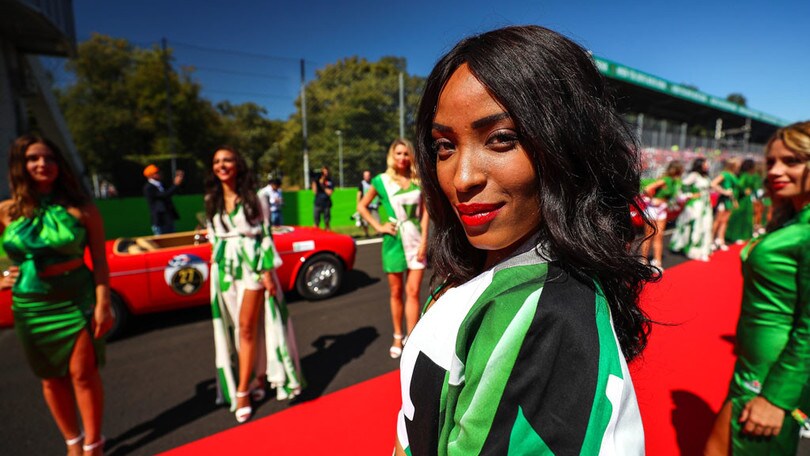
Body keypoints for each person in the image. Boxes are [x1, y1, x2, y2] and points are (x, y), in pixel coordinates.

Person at [395, 25, 654, 455]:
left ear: (566, 144)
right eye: (444, 146)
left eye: (501, 139)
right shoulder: (495, 273)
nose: (462, 178)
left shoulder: (544, 314)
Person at [0, 135, 114, 455]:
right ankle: (72, 442)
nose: (42, 164)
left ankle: (93, 443)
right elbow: (2, 255)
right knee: (50, 379)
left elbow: (101, 263)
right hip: (31, 303)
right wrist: (3, 275)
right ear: (20, 166)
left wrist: (103, 304)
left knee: (83, 373)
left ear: (59, 164)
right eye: (33, 158)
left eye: (49, 158)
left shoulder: (83, 209)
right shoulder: (7, 211)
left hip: (76, 297)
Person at [704, 121, 810, 455]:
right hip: (756, 364)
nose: (776, 170)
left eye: (792, 161)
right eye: (773, 161)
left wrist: (776, 397)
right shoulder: (794, 221)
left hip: (773, 372)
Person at [204, 146, 303, 424]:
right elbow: (214, 237)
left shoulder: (252, 198)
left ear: (237, 165)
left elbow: (265, 236)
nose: (222, 165)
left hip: (252, 269)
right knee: (237, 329)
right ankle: (258, 378)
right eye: (217, 161)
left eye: (227, 160)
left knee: (247, 328)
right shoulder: (211, 199)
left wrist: (267, 272)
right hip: (224, 270)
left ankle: (243, 391)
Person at [357, 140, 429, 358]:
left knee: (414, 291)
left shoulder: (419, 179)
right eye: (398, 153)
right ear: (392, 156)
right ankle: (398, 335)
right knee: (396, 292)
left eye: (406, 153)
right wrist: (379, 226)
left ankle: (413, 335)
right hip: (393, 242)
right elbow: (361, 206)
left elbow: (425, 212)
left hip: (416, 240)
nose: (402, 158)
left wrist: (425, 240)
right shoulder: (381, 181)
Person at [639, 160, 684, 273]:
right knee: (649, 235)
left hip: (662, 210)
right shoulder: (665, 180)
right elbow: (647, 188)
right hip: (653, 209)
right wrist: (652, 199)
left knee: (659, 235)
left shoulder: (675, 182)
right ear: (677, 170)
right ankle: (643, 260)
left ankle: (657, 262)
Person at [670, 157, 714, 261]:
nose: (707, 165)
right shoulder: (694, 175)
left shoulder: (705, 176)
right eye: (705, 163)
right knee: (695, 227)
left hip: (705, 205)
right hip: (695, 206)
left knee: (705, 226)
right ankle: (692, 250)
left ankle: (702, 249)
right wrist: (689, 195)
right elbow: (682, 185)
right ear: (700, 165)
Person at [143, 164, 184, 235]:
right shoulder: (148, 187)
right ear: (150, 175)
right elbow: (164, 195)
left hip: (168, 218)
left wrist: (178, 182)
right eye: (156, 173)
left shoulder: (161, 185)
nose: (160, 174)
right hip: (159, 220)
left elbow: (170, 192)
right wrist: (175, 184)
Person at [726, 158, 760, 243]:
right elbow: (739, 184)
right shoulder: (745, 175)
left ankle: (743, 235)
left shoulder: (747, 174)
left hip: (746, 199)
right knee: (741, 216)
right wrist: (745, 190)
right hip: (743, 199)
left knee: (746, 216)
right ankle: (738, 235)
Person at [710, 157, 741, 251]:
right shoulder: (725, 174)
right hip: (724, 201)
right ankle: (711, 240)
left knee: (725, 221)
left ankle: (720, 239)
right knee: (718, 220)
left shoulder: (734, 175)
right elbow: (713, 184)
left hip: (730, 201)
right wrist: (724, 191)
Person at [356, 170, 380, 237]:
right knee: (365, 221)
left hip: (374, 205)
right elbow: (359, 194)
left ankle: (378, 232)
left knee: (377, 219)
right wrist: (358, 204)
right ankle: (366, 234)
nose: (367, 177)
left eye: (368, 175)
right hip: (365, 206)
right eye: (365, 176)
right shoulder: (362, 184)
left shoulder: (374, 183)